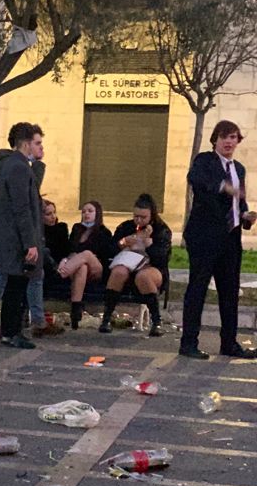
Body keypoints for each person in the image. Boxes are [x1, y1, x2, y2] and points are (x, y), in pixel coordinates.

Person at [179, 120, 257, 359]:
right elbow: (196, 180)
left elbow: (238, 202)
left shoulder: (239, 169)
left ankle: (229, 343)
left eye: (233, 137)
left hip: (230, 237)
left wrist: (246, 215)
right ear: (215, 139)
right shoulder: (205, 161)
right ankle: (188, 342)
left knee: (229, 290)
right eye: (225, 137)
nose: (229, 142)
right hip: (204, 235)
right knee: (198, 288)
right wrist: (224, 186)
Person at [0, 122, 44, 349]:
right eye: (37, 143)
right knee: (16, 287)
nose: (39, 147)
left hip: (7, 236)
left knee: (13, 285)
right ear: (26, 143)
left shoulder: (5, 165)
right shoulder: (18, 167)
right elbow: (22, 207)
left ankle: (11, 331)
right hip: (15, 238)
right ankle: (11, 331)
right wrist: (30, 242)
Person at [100, 193, 170, 336]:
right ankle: (106, 318)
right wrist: (123, 242)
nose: (138, 220)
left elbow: (162, 258)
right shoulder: (126, 227)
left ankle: (156, 321)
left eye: (143, 217)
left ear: (151, 216)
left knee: (144, 277)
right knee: (118, 272)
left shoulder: (161, 230)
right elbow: (109, 249)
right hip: (127, 264)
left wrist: (148, 246)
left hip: (151, 267)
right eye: (136, 216)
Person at [57, 200, 113, 329]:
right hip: (78, 269)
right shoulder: (77, 229)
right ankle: (76, 309)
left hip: (96, 269)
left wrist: (78, 258)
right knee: (82, 267)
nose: (86, 214)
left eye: (90, 211)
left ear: (97, 213)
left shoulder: (104, 232)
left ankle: (62, 272)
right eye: (83, 212)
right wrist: (68, 259)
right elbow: (70, 250)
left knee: (87, 254)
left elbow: (104, 255)